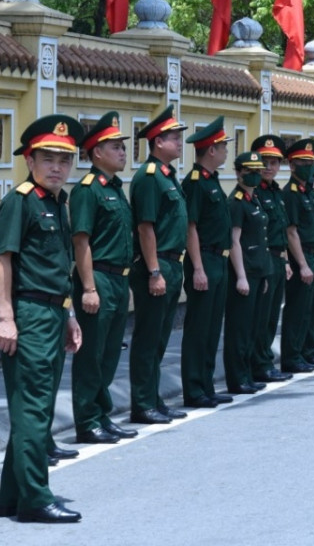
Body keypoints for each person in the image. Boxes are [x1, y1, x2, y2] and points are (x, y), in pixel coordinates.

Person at [0, 114, 85, 523]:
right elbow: (1, 259)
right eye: (48, 159)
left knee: (36, 408)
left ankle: (11, 497)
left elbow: (58, 267)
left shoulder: (58, 203)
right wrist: (5, 317)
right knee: (32, 408)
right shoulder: (20, 201)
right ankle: (34, 499)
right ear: (30, 160)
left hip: (52, 311)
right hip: (28, 314)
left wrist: (69, 315)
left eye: (64, 160)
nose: (57, 167)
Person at [69, 111, 137, 446]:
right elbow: (81, 241)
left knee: (109, 353)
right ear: (97, 152)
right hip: (97, 279)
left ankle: (101, 414)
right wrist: (89, 288)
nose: (123, 152)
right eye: (116, 147)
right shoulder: (88, 190)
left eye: (123, 147)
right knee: (91, 355)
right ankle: (87, 420)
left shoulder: (115, 188)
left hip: (118, 281)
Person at [128, 105, 189, 425]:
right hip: (157, 265)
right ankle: (142, 403)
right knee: (148, 338)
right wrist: (153, 271)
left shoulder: (167, 176)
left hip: (170, 264)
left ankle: (152, 398)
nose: (180, 142)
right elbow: (145, 227)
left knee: (161, 337)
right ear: (157, 142)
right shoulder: (150, 177)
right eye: (174, 137)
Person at [180, 117, 234, 409]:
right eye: (223, 146)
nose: (226, 151)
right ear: (211, 150)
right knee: (199, 327)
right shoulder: (196, 184)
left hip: (219, 260)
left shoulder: (211, 181)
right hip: (205, 260)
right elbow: (191, 228)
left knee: (213, 327)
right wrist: (198, 268)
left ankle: (207, 384)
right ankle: (194, 388)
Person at [223, 151, 270, 394]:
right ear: (238, 172)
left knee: (253, 326)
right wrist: (241, 276)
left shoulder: (255, 199)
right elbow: (234, 241)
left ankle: (248, 374)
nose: (254, 175)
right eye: (248, 171)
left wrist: (262, 273)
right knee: (239, 329)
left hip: (257, 269)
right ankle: (237, 378)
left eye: (257, 171)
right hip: (244, 273)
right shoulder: (237, 201)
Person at [248, 135, 293, 383]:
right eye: (264, 161)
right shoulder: (253, 193)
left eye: (274, 162)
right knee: (260, 317)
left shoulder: (276, 192)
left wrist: (285, 261)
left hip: (277, 259)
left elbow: (281, 230)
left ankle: (264, 360)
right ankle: (259, 364)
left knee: (271, 316)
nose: (269, 167)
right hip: (261, 260)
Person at [281, 139, 314, 373]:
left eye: (311, 162)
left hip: (309, 255)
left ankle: (302, 353)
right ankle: (291, 356)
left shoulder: (307, 193)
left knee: (307, 310)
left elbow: (313, 231)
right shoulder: (292, 193)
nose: (309, 166)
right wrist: (302, 265)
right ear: (292, 165)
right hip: (300, 259)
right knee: (296, 309)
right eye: (303, 162)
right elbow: (291, 232)